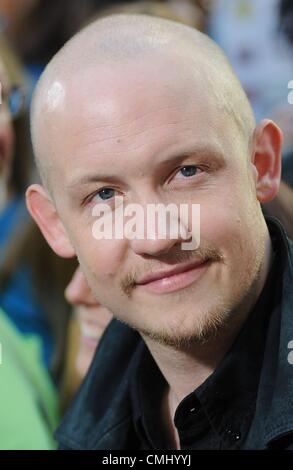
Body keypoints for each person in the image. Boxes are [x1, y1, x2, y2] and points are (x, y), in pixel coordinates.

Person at [26, 14, 292, 450]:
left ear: (261, 165)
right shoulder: (88, 421)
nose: (156, 237)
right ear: (55, 225)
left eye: (187, 172)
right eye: (105, 196)